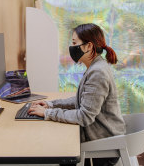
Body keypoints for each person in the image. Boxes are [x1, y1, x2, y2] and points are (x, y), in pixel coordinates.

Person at [28, 23, 126, 166]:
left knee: (59, 149)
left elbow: (84, 116)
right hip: (101, 135)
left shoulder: (98, 72)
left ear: (89, 46)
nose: (72, 47)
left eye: (74, 43)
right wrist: (51, 104)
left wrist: (48, 113)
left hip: (105, 144)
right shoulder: (95, 67)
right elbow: (83, 100)